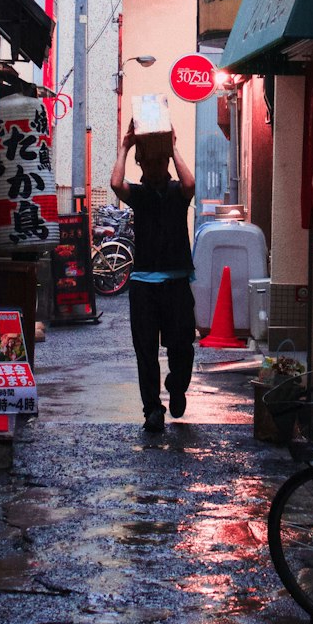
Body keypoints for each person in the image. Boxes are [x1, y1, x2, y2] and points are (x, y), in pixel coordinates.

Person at [111, 120, 196, 431]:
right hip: (144, 284)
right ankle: (152, 410)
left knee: (182, 346)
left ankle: (176, 387)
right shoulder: (139, 195)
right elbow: (116, 184)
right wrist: (126, 145)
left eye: (160, 160)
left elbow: (190, 184)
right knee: (145, 350)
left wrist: (172, 147)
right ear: (142, 165)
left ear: (167, 163)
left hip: (176, 283)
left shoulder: (177, 192)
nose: (156, 166)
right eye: (149, 161)